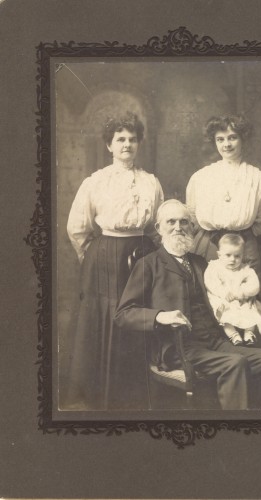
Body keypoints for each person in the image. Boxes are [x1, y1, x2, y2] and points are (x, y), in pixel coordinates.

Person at [114, 200, 261, 410]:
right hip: (179, 347)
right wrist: (160, 316)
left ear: (192, 227)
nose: (178, 227)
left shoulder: (201, 262)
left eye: (184, 222)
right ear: (158, 228)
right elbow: (123, 314)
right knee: (235, 363)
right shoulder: (149, 264)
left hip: (215, 340)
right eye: (171, 221)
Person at [66, 112, 164, 409]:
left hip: (142, 254)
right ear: (109, 145)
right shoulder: (95, 182)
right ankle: (101, 395)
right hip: (105, 256)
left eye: (132, 139)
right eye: (120, 139)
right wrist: (96, 259)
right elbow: (78, 229)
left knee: (136, 314)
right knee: (107, 316)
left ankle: (132, 393)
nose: (127, 145)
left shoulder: (150, 182)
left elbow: (157, 225)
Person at [186, 114, 261, 282]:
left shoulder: (259, 179)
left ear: (242, 139)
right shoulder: (201, 177)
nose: (226, 144)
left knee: (245, 296)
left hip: (244, 247)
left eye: (232, 138)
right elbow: (192, 215)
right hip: (209, 245)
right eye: (220, 139)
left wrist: (241, 231)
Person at [204, 233, 261, 347]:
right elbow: (210, 282)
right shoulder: (215, 267)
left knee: (251, 308)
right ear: (219, 254)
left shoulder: (245, 269)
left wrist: (242, 293)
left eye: (237, 256)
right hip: (223, 297)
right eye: (228, 255)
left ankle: (249, 333)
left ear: (242, 256)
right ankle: (233, 335)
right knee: (223, 312)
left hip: (240, 297)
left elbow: (255, 285)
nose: (233, 259)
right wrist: (223, 293)